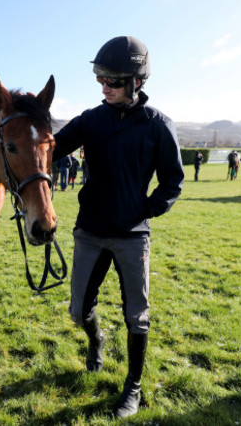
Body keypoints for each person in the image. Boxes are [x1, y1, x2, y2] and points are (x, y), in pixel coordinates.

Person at [53, 36, 184, 418]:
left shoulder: (158, 125)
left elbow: (172, 182)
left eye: (112, 81)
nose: (104, 88)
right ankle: (97, 341)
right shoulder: (90, 120)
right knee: (78, 312)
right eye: (101, 80)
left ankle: (133, 387)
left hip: (131, 235)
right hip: (89, 232)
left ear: (136, 82)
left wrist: (142, 210)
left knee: (136, 315)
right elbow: (51, 148)